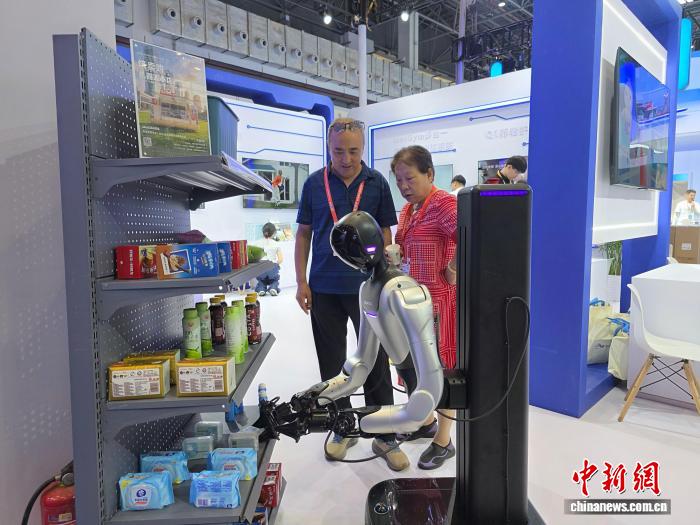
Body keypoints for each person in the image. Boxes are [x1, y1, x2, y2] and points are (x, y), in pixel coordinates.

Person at [295, 117, 409, 471]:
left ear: (363, 148)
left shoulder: (376, 183)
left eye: (354, 151)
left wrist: (384, 276)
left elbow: (386, 232)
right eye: (339, 151)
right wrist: (301, 281)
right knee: (332, 363)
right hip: (324, 287)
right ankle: (342, 427)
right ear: (329, 148)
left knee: (375, 362)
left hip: (367, 287)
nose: (346, 158)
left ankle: (384, 433)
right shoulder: (314, 184)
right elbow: (304, 234)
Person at [392, 145, 458, 470]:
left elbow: (474, 234)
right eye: (399, 180)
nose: (404, 186)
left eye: (410, 178)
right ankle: (426, 421)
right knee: (417, 367)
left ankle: (444, 441)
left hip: (440, 304)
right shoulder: (408, 210)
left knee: (441, 370)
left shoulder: (444, 204)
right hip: (413, 303)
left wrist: (455, 267)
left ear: (429, 174)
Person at [254, 222, 283, 296]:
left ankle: (261, 289)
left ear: (263, 232)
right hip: (271, 266)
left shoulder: (256, 243)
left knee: (261, 280)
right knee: (275, 279)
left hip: (260, 267)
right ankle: (273, 288)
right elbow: (280, 259)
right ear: (274, 233)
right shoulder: (276, 244)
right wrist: (276, 265)